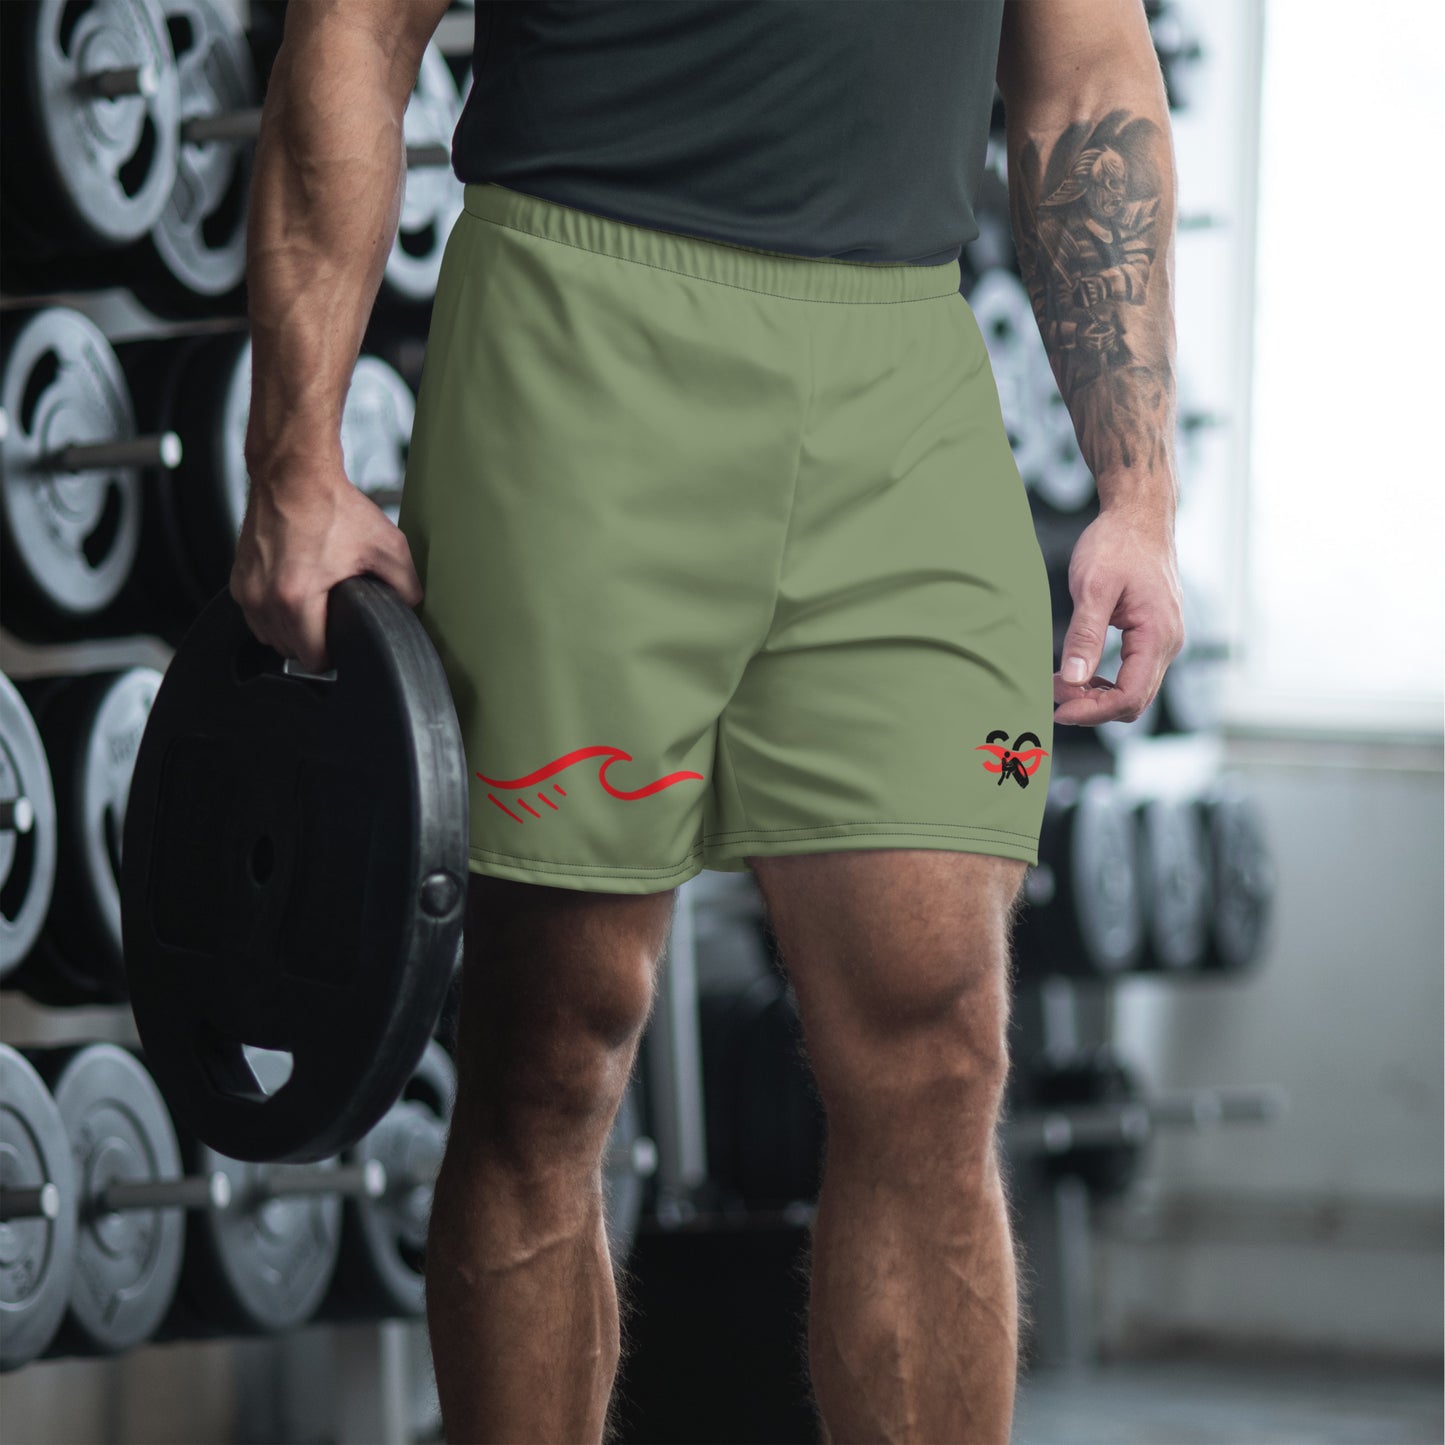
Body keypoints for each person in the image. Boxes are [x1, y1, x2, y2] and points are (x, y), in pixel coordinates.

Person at [231, 1, 1184, 1439]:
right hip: (578, 336)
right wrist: (294, 453)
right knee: (550, 1048)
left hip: (904, 376)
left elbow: (1086, 70)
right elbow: (356, 27)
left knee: (938, 1047)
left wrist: (1137, 485)